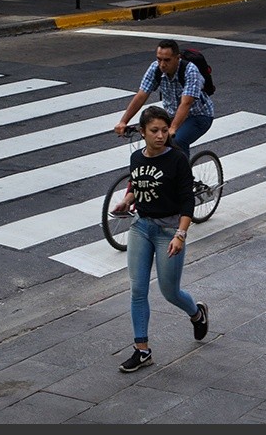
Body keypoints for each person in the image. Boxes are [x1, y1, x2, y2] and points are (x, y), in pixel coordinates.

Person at [112, 105, 209, 373]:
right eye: (154, 131)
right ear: (142, 132)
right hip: (141, 227)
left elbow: (187, 200)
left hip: (169, 231)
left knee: (170, 292)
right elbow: (138, 183)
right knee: (138, 289)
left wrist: (181, 234)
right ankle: (142, 350)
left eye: (165, 130)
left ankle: (197, 313)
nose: (160, 136)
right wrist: (127, 200)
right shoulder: (136, 158)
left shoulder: (177, 160)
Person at [115, 39, 214, 160]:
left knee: (177, 141)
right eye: (159, 59)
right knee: (154, 141)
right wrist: (123, 121)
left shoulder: (190, 71)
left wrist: (173, 128)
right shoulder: (155, 68)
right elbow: (141, 95)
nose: (162, 64)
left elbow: (186, 103)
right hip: (171, 116)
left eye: (167, 60)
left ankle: (183, 171)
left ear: (177, 58)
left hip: (198, 116)